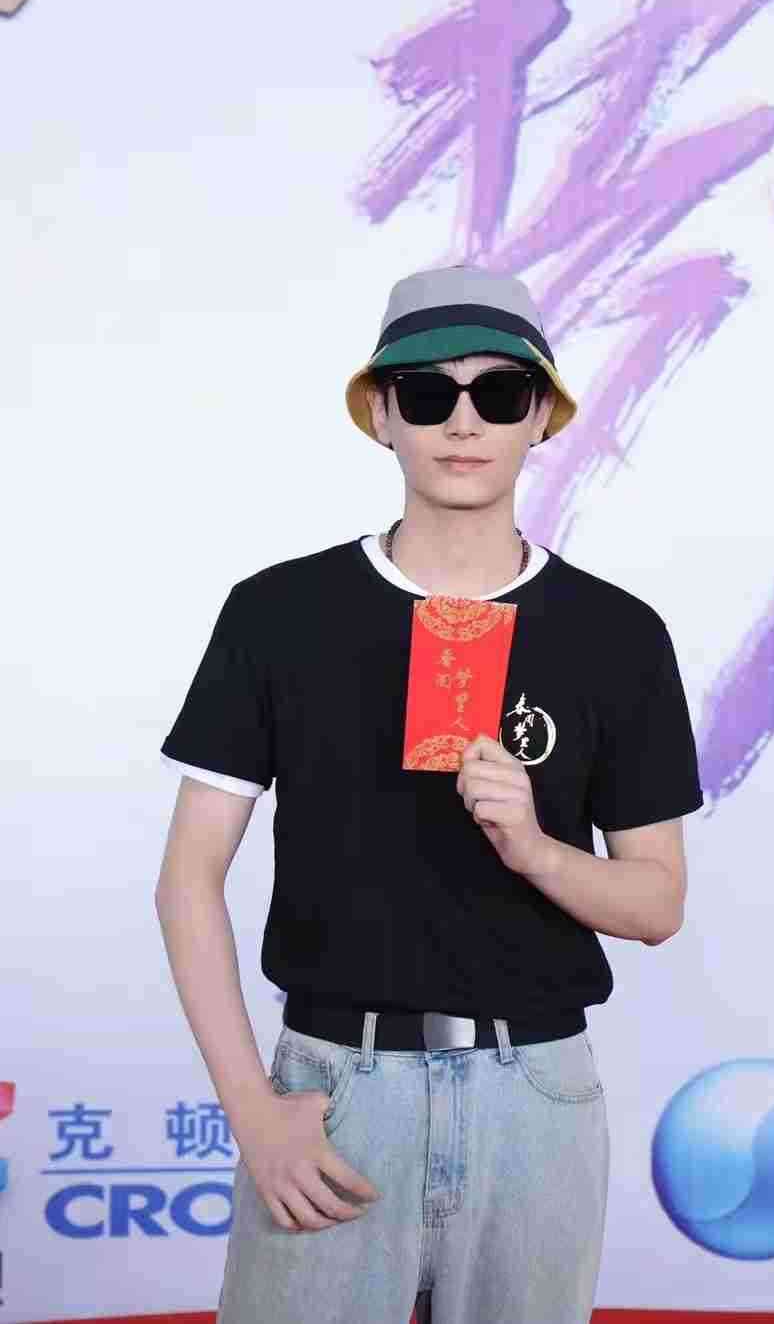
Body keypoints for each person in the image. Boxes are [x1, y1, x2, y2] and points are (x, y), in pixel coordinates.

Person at [154, 264, 703, 1324]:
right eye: (426, 393)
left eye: (499, 392)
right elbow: (188, 879)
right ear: (381, 416)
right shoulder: (279, 613)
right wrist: (254, 1111)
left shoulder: (617, 634)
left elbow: (658, 903)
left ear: (541, 417)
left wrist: (534, 846)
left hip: (536, 1096)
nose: (463, 421)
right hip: (333, 1087)